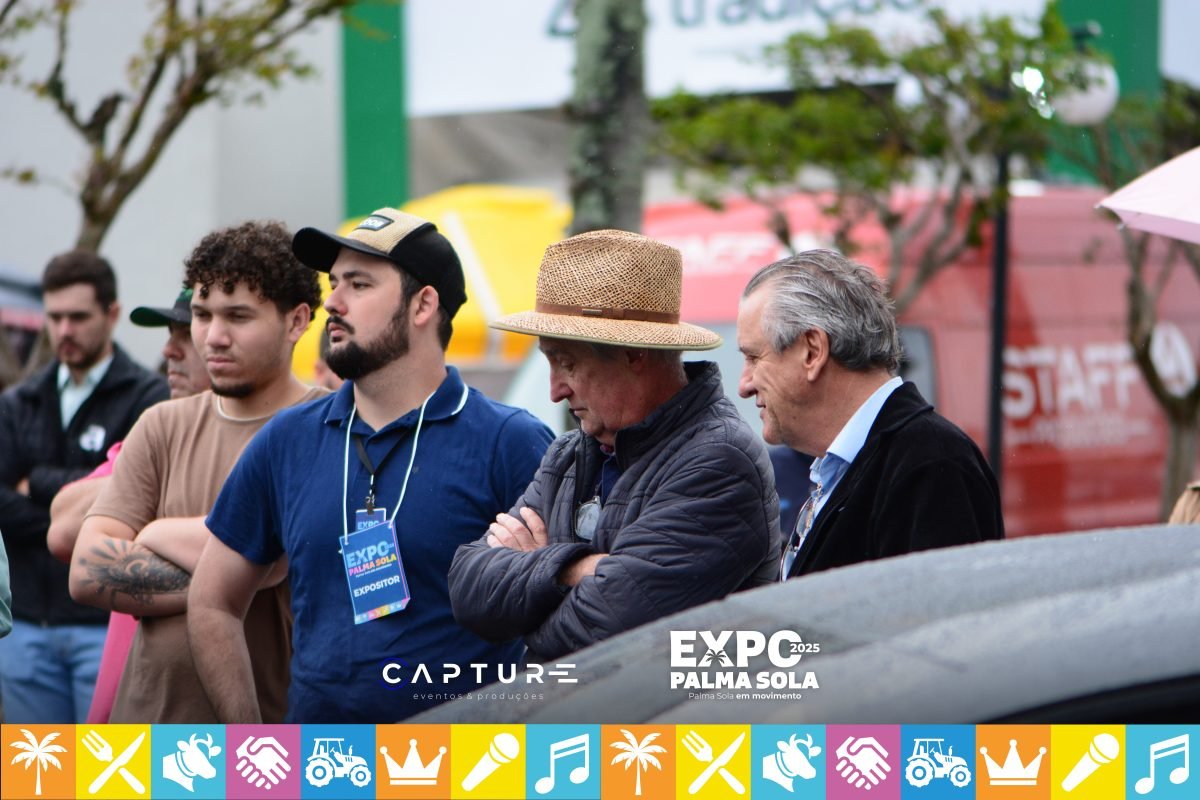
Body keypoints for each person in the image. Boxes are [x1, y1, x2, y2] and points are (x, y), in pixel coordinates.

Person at [189, 207, 553, 723]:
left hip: (461, 758)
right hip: (321, 759)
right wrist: (252, 744)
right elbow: (212, 601)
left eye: (358, 285)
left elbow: (568, 616)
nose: (332, 303)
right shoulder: (288, 439)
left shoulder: (509, 441)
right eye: (334, 283)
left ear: (423, 304)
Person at [449, 229, 781, 662]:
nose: (555, 390)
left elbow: (605, 632)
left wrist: (540, 567)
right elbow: (468, 589)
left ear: (634, 354)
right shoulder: (569, 454)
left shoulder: (720, 461)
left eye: (567, 363)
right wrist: (574, 569)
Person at [69, 221, 326, 723]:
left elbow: (284, 563)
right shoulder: (161, 425)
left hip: (274, 740)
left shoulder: (329, 428)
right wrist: (236, 578)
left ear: (297, 321)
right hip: (144, 734)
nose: (214, 337)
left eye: (238, 316)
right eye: (202, 315)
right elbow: (84, 572)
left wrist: (154, 533)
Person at [736, 249, 1004, 580]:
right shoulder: (876, 462)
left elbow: (939, 609)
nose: (744, 385)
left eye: (753, 358)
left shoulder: (931, 463)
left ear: (813, 351)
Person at [0, 251, 168, 723]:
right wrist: (79, 514)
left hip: (105, 624)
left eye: (78, 317)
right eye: (54, 317)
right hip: (26, 626)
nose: (64, 330)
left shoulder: (149, 399)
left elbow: (140, 502)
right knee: (39, 767)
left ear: (112, 314)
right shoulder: (19, 401)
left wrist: (37, 482)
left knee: (110, 765)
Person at [49, 286, 212, 724]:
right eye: (172, 334)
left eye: (186, 334)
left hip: (243, 731)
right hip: (128, 719)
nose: (169, 351)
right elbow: (63, 529)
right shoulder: (157, 431)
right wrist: (154, 477)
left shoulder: (281, 437)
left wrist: (146, 527)